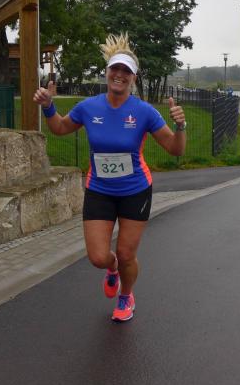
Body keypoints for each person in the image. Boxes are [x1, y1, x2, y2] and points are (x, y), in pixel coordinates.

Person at [32, 33, 186, 322]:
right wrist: (49, 106)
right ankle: (112, 269)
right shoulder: (89, 107)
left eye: (126, 71)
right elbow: (60, 128)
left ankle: (126, 295)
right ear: (107, 72)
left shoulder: (144, 112)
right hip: (99, 190)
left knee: (127, 254)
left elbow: (175, 149)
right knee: (98, 258)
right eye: (115, 68)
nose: (119, 75)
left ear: (133, 78)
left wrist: (181, 126)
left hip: (135, 191)